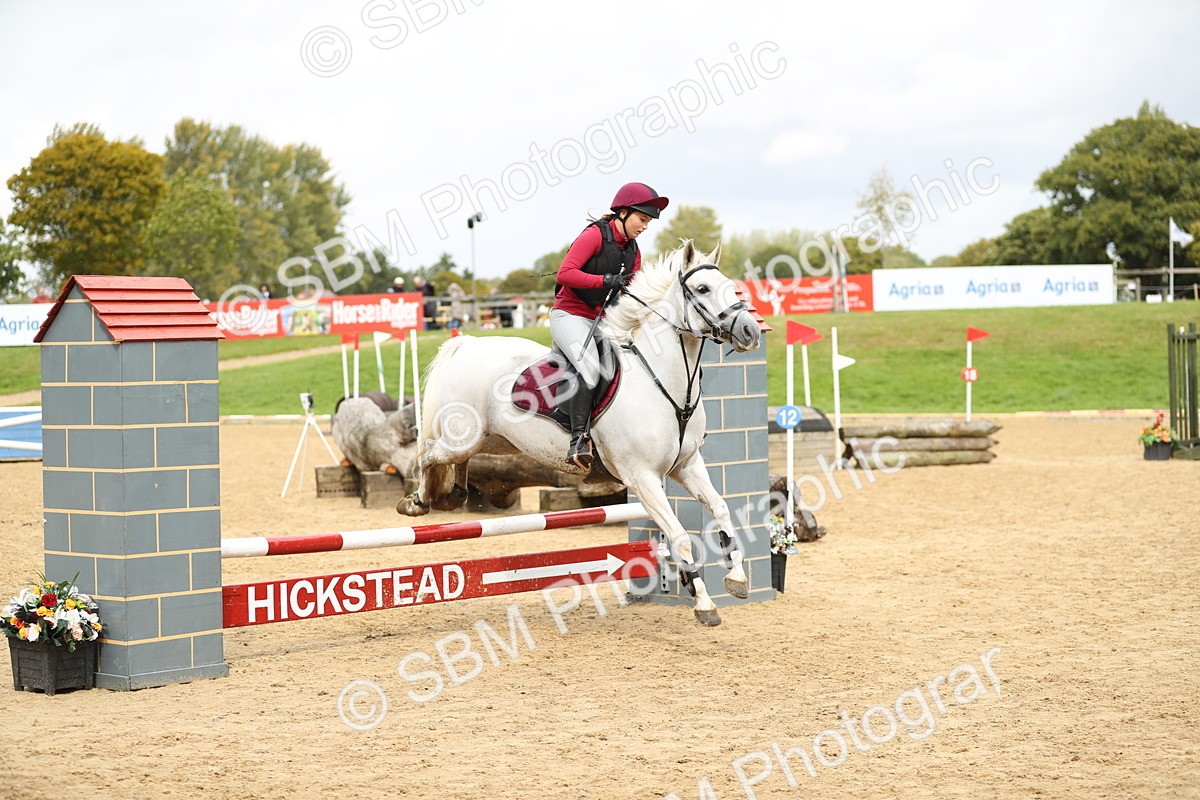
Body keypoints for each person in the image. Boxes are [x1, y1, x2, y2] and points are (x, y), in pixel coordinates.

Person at [551, 181, 669, 469]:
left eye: (649, 222)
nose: (645, 227)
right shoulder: (594, 235)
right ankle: (578, 439)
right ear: (624, 212)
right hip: (570, 314)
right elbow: (566, 274)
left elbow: (632, 290)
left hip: (602, 319)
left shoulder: (633, 251)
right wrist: (604, 281)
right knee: (590, 368)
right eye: (642, 219)